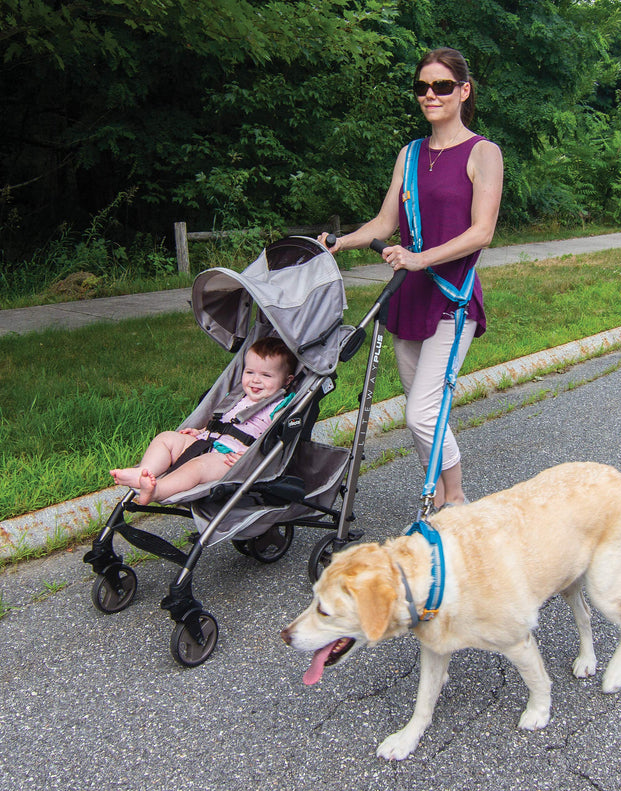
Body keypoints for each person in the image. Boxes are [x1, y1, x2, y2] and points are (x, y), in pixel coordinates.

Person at [319, 47, 503, 508]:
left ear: (463, 91)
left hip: (450, 300)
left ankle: (457, 501)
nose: (430, 95)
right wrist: (342, 243)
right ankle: (438, 501)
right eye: (422, 87)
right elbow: (385, 225)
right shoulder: (411, 153)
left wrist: (422, 259)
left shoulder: (483, 152)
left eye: (442, 86)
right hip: (407, 299)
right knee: (421, 411)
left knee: (422, 415)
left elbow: (482, 232)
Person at [110, 337, 296, 505]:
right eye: (250, 372)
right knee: (166, 438)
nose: (255, 380)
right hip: (205, 441)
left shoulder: (278, 407)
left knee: (197, 467)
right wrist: (200, 432)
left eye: (266, 375)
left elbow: (276, 439)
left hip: (230, 459)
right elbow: (223, 421)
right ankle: (143, 471)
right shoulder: (237, 397)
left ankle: (157, 490)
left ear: (287, 381)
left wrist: (252, 457)